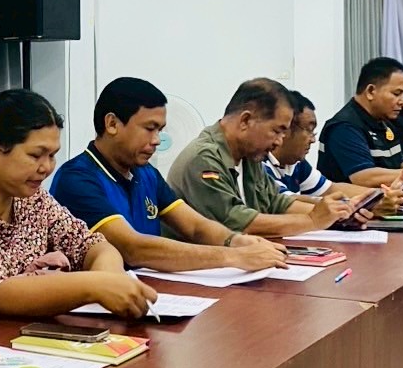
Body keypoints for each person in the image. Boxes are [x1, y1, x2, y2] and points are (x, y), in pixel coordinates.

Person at [0, 88, 159, 320]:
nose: (47, 168)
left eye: (52, 155)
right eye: (36, 155)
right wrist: (97, 286)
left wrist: (107, 277)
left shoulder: (26, 193)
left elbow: (92, 245)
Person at [51, 77, 288, 272]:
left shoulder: (145, 173)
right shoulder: (77, 179)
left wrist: (236, 240)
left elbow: (195, 226)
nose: (156, 141)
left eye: (161, 130)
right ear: (112, 124)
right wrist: (233, 256)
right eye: (149, 128)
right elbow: (133, 248)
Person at [168, 78, 360, 236]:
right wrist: (312, 220)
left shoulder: (249, 155)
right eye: (276, 131)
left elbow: (276, 202)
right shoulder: (204, 159)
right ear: (246, 120)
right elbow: (237, 222)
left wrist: (336, 213)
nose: (279, 142)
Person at [317, 57, 403, 197]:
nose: (402, 101)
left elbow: (398, 163)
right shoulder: (345, 127)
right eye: (396, 94)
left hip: (383, 204)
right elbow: (363, 177)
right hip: (348, 211)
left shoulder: (384, 122)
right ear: (370, 91)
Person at [266, 91, 369, 201]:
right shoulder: (260, 164)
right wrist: (347, 205)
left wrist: (380, 195)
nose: (313, 140)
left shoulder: (297, 164)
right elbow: (287, 203)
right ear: (285, 129)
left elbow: (330, 189)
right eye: (309, 130)